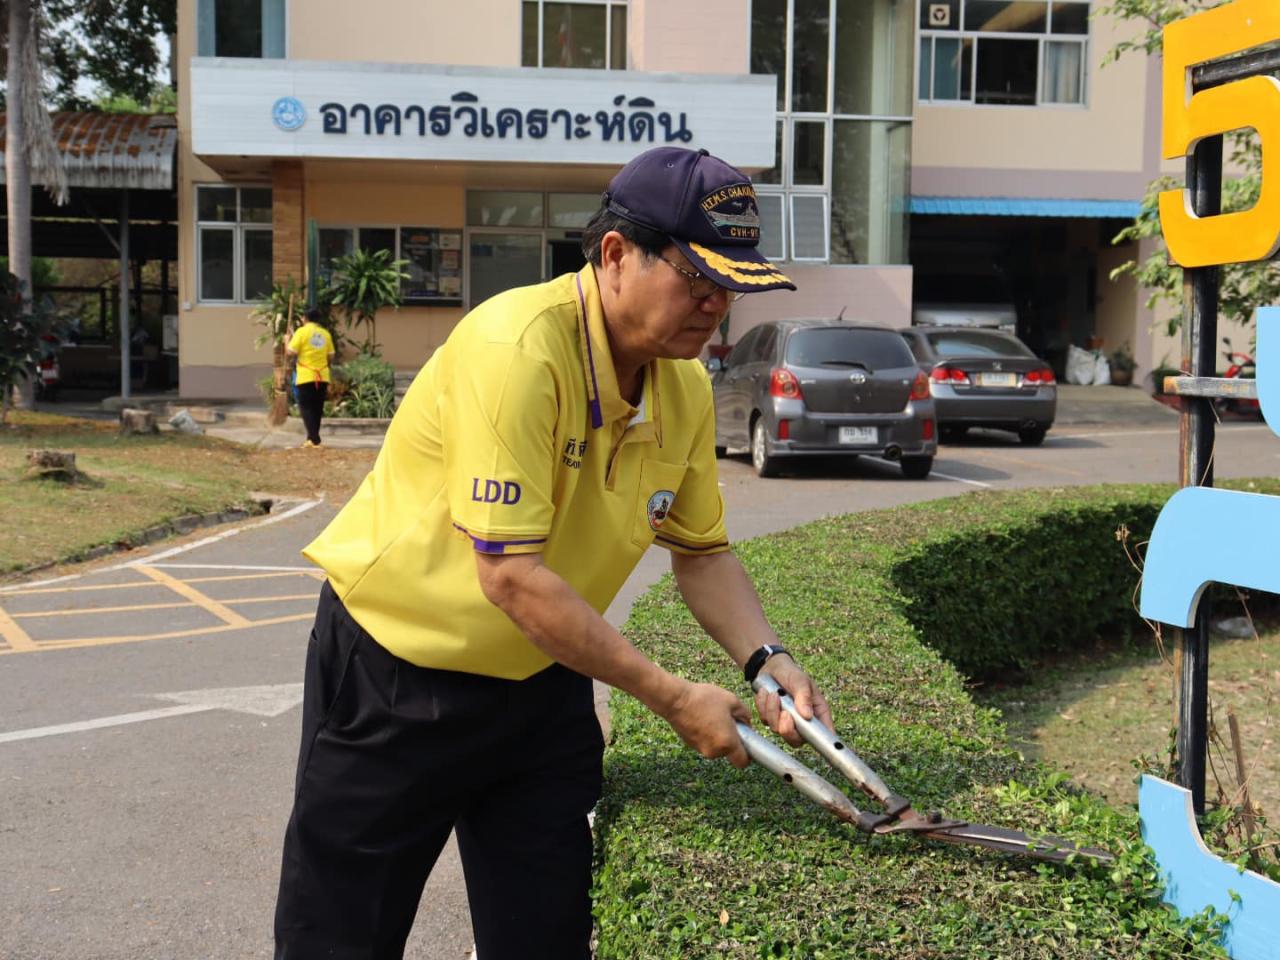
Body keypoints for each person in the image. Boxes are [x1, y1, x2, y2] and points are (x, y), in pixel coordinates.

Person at [273, 146, 834, 960]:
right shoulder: (518, 349)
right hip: (397, 678)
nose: (716, 304)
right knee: (339, 939)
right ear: (616, 254)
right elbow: (510, 576)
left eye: (732, 285)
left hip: (541, 682)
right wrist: (675, 698)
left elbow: (702, 554)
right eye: (697, 277)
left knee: (545, 937)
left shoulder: (681, 386)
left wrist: (765, 659)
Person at [286, 307, 335, 447]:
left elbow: (290, 352)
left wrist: (286, 341)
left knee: (306, 407)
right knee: (317, 408)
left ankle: (314, 439)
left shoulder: (301, 332)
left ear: (305, 318)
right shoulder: (325, 334)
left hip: (306, 376)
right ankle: (312, 438)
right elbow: (331, 355)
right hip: (322, 376)